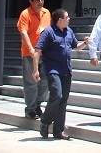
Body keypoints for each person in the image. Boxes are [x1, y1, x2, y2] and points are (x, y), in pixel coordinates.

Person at [33, 8, 87, 140]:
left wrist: (85, 43)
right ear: (60, 20)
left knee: (63, 100)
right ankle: (45, 122)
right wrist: (35, 70)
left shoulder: (69, 32)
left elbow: (76, 46)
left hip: (66, 70)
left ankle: (58, 131)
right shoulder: (48, 32)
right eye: (67, 17)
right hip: (53, 69)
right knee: (57, 94)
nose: (69, 19)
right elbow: (37, 51)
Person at [17, 0, 50, 119]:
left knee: (46, 80)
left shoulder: (47, 13)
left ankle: (37, 104)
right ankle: (30, 108)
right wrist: (31, 49)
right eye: (37, 0)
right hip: (30, 53)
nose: (40, 2)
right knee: (30, 82)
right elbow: (23, 32)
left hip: (45, 53)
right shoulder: (25, 14)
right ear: (31, 2)